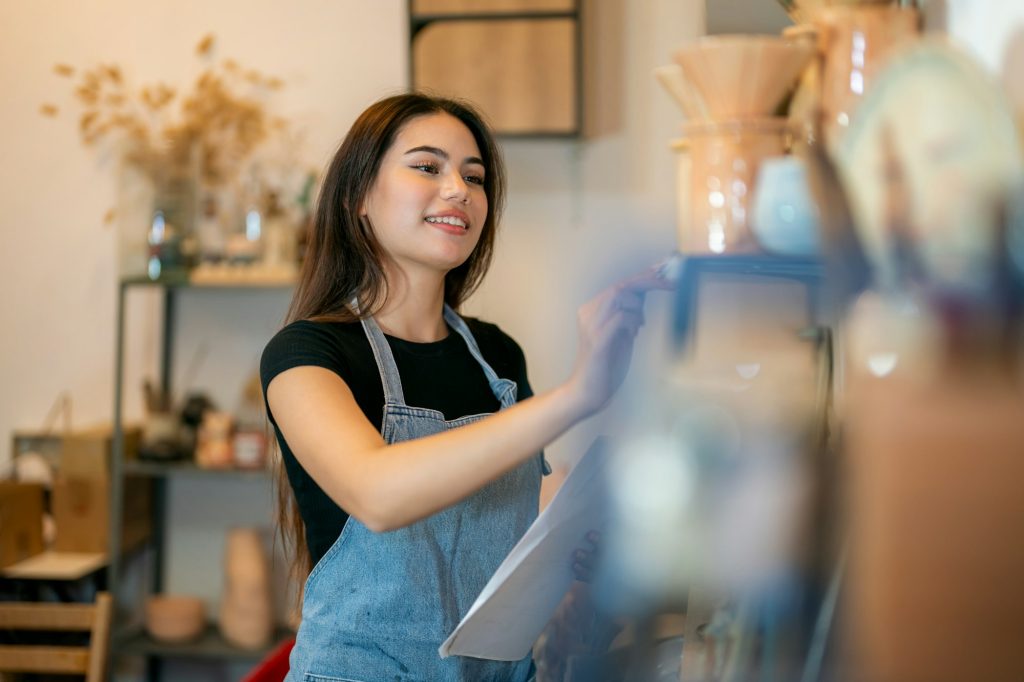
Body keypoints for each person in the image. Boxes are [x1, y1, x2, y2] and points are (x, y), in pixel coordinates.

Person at [261, 92, 669, 681]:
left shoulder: (496, 354)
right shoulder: (307, 354)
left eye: (473, 177)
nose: (459, 189)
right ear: (359, 199)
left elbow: (526, 507)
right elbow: (377, 493)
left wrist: (581, 535)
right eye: (427, 167)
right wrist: (579, 394)